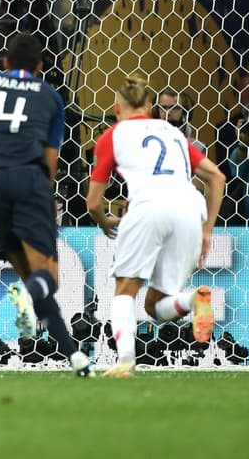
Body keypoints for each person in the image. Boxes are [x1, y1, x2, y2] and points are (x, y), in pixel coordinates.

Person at [0, 32, 93, 376]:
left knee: (29, 272)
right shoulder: (51, 97)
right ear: (41, 67)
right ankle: (31, 295)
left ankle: (73, 355)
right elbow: (51, 161)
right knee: (46, 276)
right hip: (29, 180)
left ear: (5, 63)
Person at [86, 76, 225, 377]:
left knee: (125, 288)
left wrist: (104, 221)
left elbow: (93, 202)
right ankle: (193, 299)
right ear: (151, 108)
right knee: (155, 306)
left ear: (116, 108)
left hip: (148, 204)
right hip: (190, 207)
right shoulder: (172, 133)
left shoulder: (113, 134)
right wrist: (207, 230)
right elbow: (217, 178)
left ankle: (124, 362)